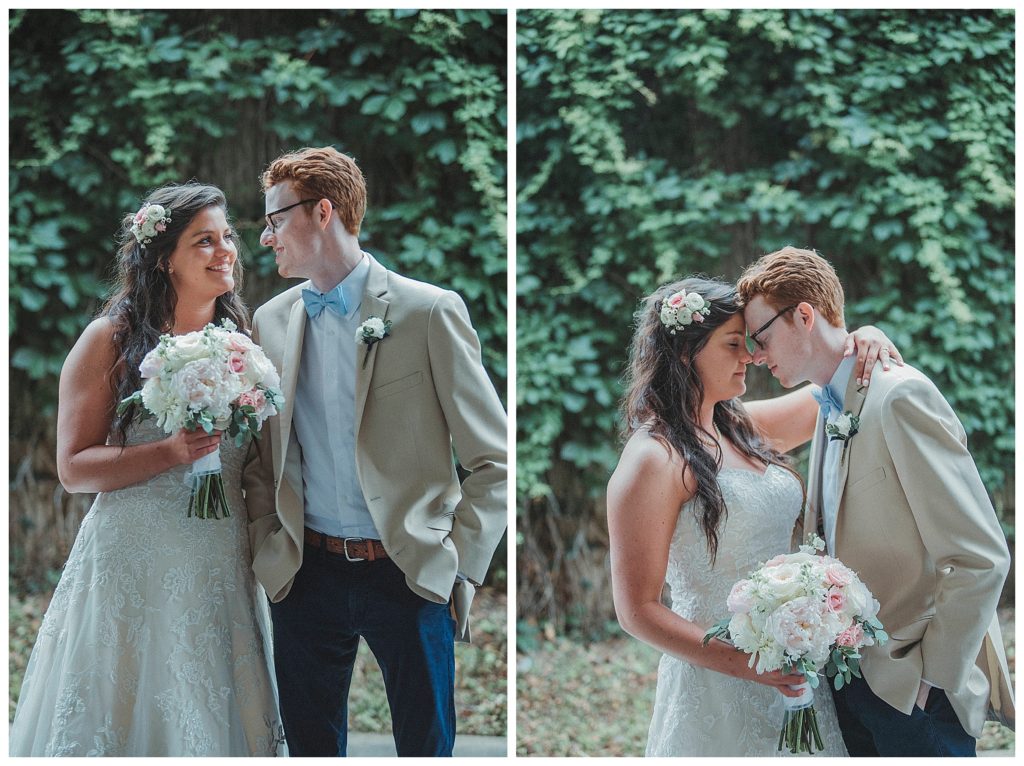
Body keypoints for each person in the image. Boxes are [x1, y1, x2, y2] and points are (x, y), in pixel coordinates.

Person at [241, 146, 508, 757]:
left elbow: (492, 459)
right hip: (305, 574)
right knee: (310, 749)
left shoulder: (428, 312)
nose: (267, 237)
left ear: (323, 211)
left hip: (408, 572)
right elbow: (261, 457)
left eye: (277, 219)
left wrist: (455, 567)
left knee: (426, 747)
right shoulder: (271, 322)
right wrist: (267, 544)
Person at [9, 183, 283, 756]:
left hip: (221, 559)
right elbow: (73, 467)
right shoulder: (111, 338)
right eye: (203, 241)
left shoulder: (248, 341)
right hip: (132, 559)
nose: (225, 250)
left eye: (226, 237)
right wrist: (168, 451)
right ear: (164, 259)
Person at [607, 276, 903, 757]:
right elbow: (637, 611)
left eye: (749, 340)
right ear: (686, 353)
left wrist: (862, 338)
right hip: (716, 685)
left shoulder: (740, 426)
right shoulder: (654, 458)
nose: (749, 354)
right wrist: (747, 664)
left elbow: (838, 383)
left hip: (795, 666)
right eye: (732, 344)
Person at [737, 246, 1013, 757]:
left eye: (761, 336)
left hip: (913, 689)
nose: (755, 354)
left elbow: (981, 556)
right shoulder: (826, 403)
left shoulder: (899, 397)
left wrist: (932, 677)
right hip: (849, 680)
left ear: (804, 315)